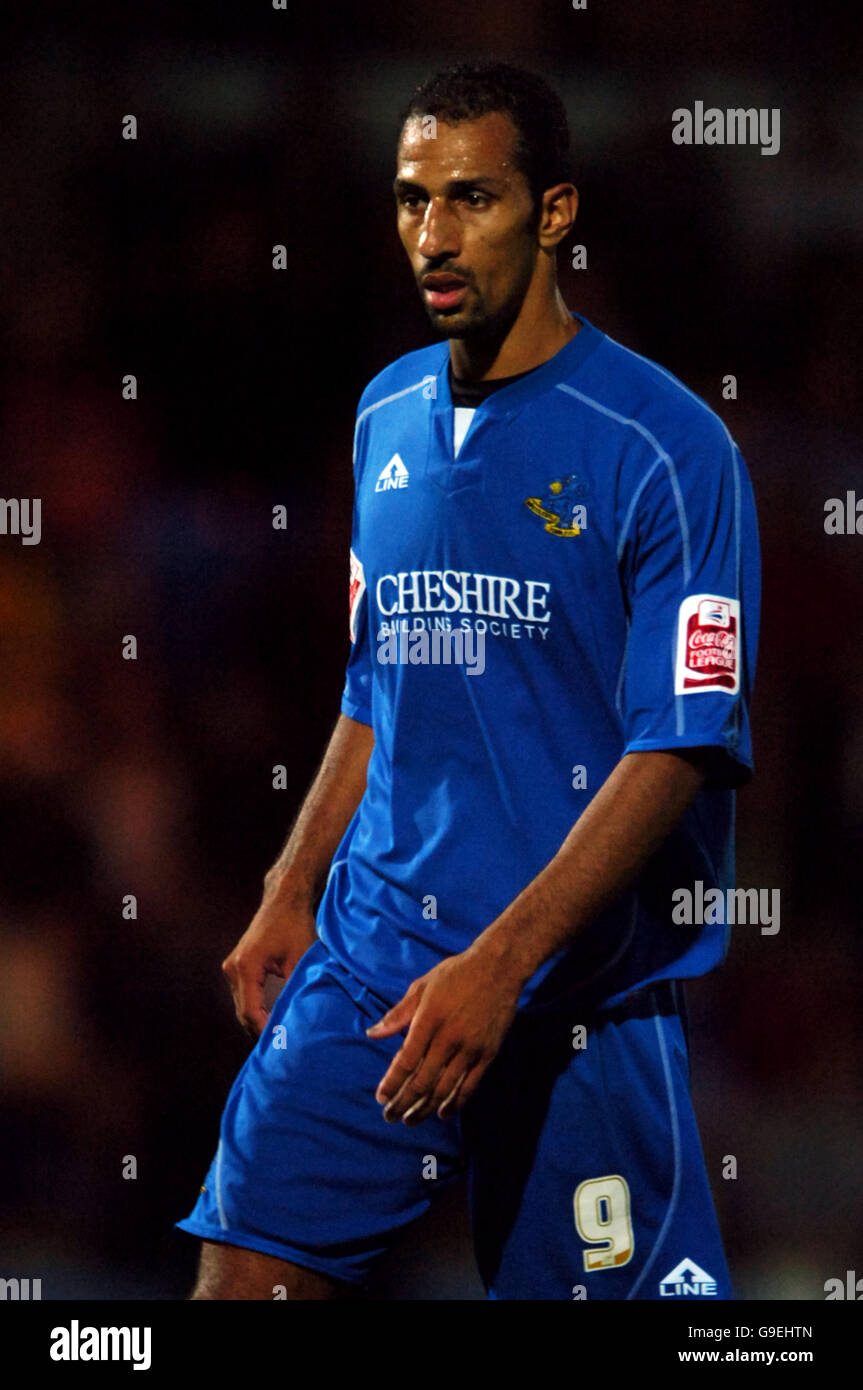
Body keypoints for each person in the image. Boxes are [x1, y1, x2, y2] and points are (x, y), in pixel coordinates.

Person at [176, 61, 760, 1301]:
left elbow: (681, 748)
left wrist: (501, 965)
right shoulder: (381, 414)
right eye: (408, 199)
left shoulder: (667, 450)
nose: (430, 237)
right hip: (373, 966)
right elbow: (371, 683)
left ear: (553, 212)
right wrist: (292, 885)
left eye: (471, 199)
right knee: (238, 1286)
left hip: (575, 997)